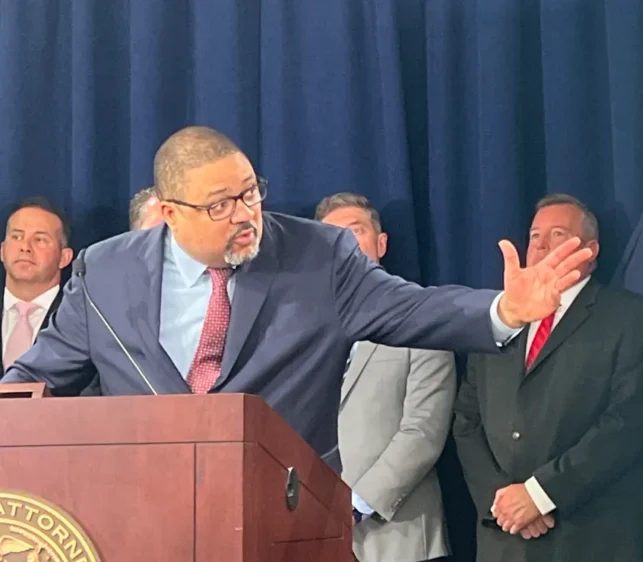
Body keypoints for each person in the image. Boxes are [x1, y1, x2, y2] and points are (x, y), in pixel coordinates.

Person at [0, 126, 593, 464]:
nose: (245, 214)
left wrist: (503, 310)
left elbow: (412, 308)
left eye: (250, 192)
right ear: (172, 214)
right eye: (220, 205)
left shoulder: (318, 254)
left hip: (285, 514)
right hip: (145, 514)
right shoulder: (106, 271)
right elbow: (39, 378)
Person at [453, 194, 643, 562]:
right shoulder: (501, 318)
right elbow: (467, 419)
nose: (541, 245)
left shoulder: (630, 318)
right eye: (534, 236)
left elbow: (627, 421)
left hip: (590, 534)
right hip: (505, 538)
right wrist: (504, 502)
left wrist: (541, 494)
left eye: (557, 234)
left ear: (590, 250)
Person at [317, 193, 453, 562]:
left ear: (381, 243)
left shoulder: (422, 317)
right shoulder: (299, 327)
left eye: (356, 231)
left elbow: (423, 429)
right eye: (332, 237)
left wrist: (355, 504)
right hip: (310, 535)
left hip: (395, 538)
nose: (345, 244)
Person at [1, 198, 73, 370]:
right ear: (2, 250)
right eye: (16, 237)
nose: (25, 247)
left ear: (64, 258)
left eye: (40, 239)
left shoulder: (80, 319)